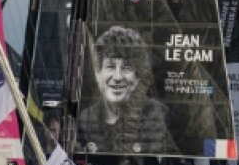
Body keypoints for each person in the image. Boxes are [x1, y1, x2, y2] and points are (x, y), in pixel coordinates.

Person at [76, 26, 180, 155]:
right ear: (98, 74)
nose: (118, 77)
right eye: (110, 67)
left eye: (127, 68)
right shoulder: (85, 119)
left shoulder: (157, 115)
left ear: (137, 77)